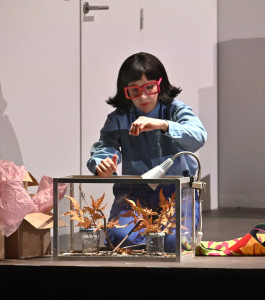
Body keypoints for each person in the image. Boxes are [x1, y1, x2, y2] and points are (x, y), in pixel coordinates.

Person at [87, 52, 207, 252]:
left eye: (149, 87)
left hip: (177, 194)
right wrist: (102, 164)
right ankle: (150, 233)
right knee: (118, 239)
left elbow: (198, 136)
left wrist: (163, 125)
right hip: (135, 194)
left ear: (160, 84)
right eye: (134, 90)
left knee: (173, 242)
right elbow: (104, 148)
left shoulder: (176, 110)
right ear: (125, 92)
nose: (143, 96)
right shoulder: (118, 118)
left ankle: (167, 232)